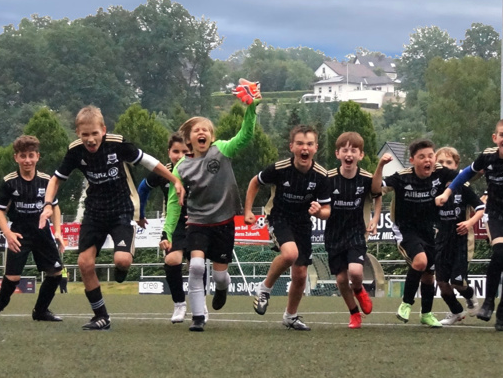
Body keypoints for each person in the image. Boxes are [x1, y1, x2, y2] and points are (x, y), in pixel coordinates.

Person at [39, 105, 185, 331]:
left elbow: (149, 162)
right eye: (85, 134)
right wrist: (48, 204)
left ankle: (123, 264)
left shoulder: (117, 144)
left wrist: (175, 180)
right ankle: (101, 316)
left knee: (122, 261)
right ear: (78, 133)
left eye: (94, 133)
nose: (90, 139)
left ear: (103, 130)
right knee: (84, 263)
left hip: (120, 211)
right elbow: (56, 179)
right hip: (94, 213)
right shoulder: (75, 151)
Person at [163, 79, 262, 332]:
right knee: (196, 267)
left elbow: (245, 136)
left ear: (212, 136)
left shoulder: (222, 150)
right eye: (196, 130)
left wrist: (251, 108)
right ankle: (197, 317)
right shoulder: (181, 167)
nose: (201, 132)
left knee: (219, 275)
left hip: (224, 222)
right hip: (198, 223)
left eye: (206, 129)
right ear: (189, 139)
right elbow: (175, 203)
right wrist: (167, 231)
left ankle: (221, 287)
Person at [436, 118, 503, 331]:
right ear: (495, 137)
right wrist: (447, 192)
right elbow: (465, 173)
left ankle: (502, 313)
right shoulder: (488, 157)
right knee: (500, 253)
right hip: (497, 214)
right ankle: (489, 302)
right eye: (502, 135)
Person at [246, 125, 332, 331]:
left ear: (316, 148)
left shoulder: (321, 175)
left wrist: (319, 211)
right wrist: (247, 210)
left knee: (301, 274)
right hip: (279, 217)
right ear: (291, 146)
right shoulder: (279, 168)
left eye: (309, 144)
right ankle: (264, 288)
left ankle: (290, 316)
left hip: (303, 223)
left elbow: (328, 210)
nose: (305, 148)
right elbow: (254, 182)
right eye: (300, 144)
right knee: (290, 254)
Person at [372, 139, 457, 328]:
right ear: (412, 160)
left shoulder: (439, 173)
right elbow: (376, 189)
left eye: (430, 156)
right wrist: (380, 166)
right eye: (422, 157)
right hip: (405, 229)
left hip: (429, 229)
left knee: (429, 274)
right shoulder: (402, 177)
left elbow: (464, 176)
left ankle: (426, 314)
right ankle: (406, 303)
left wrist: (481, 170)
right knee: (421, 261)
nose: (427, 160)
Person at [0, 135, 65, 322]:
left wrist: (58, 232)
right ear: (16, 158)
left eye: (31, 155)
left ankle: (41, 311)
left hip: (42, 233)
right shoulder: (9, 182)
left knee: (55, 272)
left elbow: (54, 207)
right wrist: (8, 233)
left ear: (38, 156)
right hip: (19, 233)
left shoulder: (47, 181)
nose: (27, 160)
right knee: (12, 277)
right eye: (23, 156)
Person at [137, 133, 208, 323]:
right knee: (171, 260)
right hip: (175, 224)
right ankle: (179, 304)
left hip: (198, 222)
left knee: (196, 264)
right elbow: (143, 189)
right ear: (168, 152)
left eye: (185, 151)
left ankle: (201, 305)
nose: (180, 155)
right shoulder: (163, 173)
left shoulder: (200, 169)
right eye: (175, 151)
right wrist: (140, 214)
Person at [324, 132, 381, 329]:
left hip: (356, 232)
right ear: (337, 154)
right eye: (345, 150)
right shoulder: (328, 178)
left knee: (356, 272)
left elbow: (377, 194)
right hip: (333, 234)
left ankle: (359, 289)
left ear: (361, 155)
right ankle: (354, 313)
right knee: (341, 278)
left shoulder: (365, 178)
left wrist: (375, 218)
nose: (349, 154)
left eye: (353, 150)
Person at [433, 147, 484, 325]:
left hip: (460, 239)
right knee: (441, 281)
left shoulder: (463, 187)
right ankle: (456, 312)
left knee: (457, 282)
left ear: (456, 166)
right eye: (440, 162)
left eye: (449, 162)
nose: (444, 166)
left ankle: (470, 297)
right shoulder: (434, 187)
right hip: (441, 239)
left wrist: (469, 223)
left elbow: (480, 208)